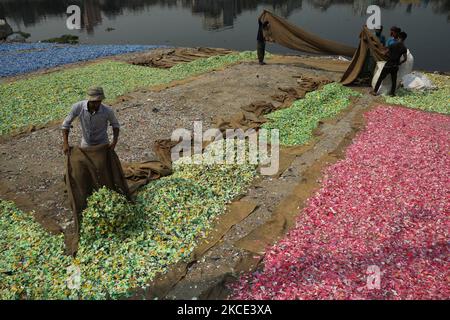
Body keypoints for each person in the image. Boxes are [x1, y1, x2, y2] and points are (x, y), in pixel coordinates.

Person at [62, 87, 120, 154]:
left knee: (104, 163)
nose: (96, 105)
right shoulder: (78, 107)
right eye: (93, 102)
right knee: (85, 163)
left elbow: (115, 125)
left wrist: (114, 142)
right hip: (86, 143)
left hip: (102, 143)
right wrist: (65, 143)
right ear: (88, 100)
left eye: (99, 102)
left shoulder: (107, 111)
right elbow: (65, 124)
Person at [371, 32, 408, 97]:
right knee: (394, 80)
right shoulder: (404, 48)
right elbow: (405, 59)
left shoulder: (393, 45)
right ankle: (392, 93)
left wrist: (380, 51)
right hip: (395, 66)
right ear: (404, 39)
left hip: (388, 64)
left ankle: (375, 91)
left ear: (398, 37)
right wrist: (400, 63)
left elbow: (384, 53)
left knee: (380, 78)